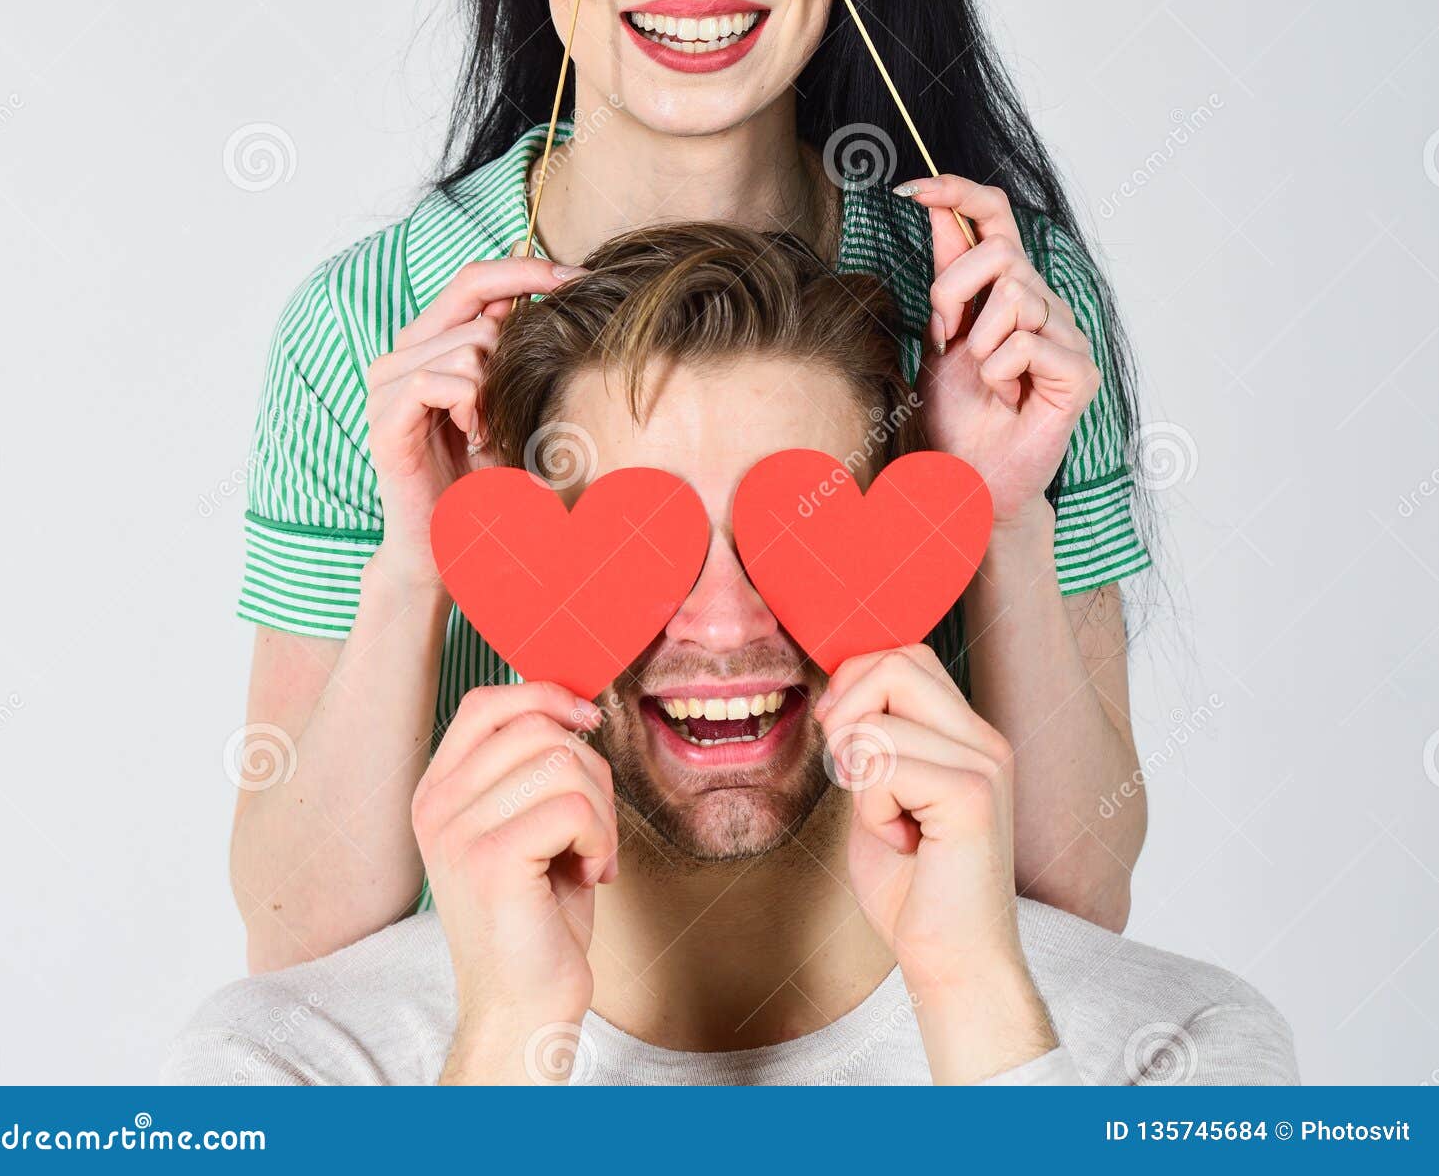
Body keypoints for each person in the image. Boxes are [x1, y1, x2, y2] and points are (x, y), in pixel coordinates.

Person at [229, 0, 1155, 974]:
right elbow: (297, 934)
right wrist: (420, 555)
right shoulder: (370, 325)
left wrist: (995, 512)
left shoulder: (995, 303)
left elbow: (1077, 908)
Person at [181, 229, 1290, 1086]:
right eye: (630, 544)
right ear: (521, 583)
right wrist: (511, 1045)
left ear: (905, 550)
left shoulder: (1178, 1050)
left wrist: (973, 1003)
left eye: (791, 533)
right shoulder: (292, 1067)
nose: (722, 625)